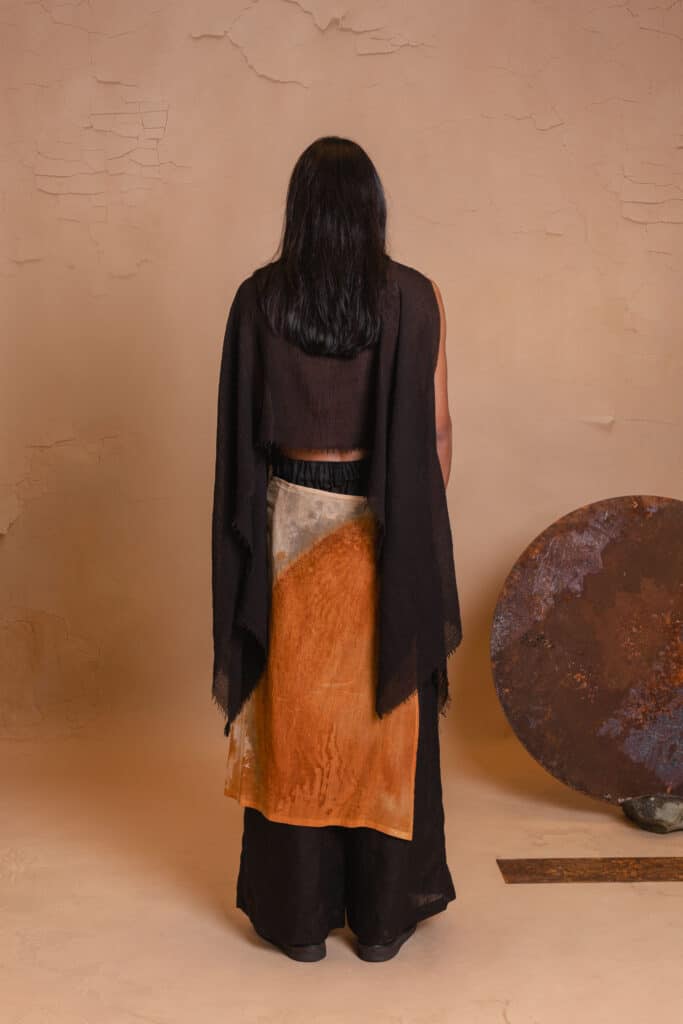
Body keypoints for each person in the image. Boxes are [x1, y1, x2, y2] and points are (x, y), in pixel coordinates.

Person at [211, 136, 462, 963]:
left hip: (287, 525)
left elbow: (241, 434)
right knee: (381, 720)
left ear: (300, 210)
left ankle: (298, 921)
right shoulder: (415, 296)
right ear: (371, 210)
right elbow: (436, 433)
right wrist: (412, 530)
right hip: (383, 524)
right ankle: (382, 921)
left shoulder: (258, 299)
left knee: (296, 717)